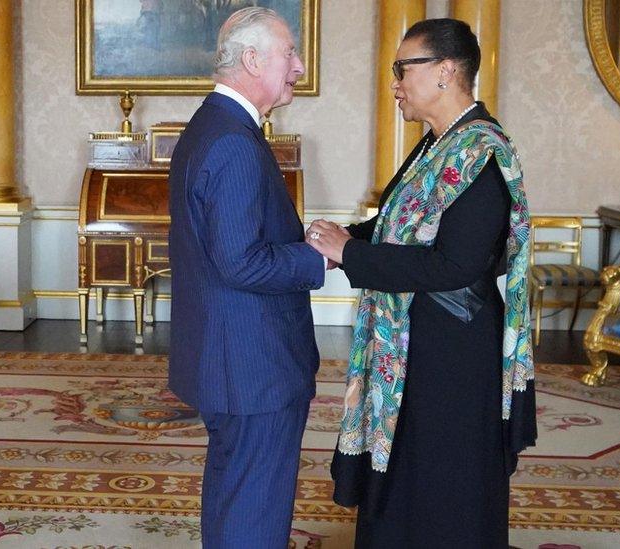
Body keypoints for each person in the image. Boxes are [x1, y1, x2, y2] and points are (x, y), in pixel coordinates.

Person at [306, 18, 538, 548]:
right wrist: (346, 240)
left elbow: (454, 266)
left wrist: (353, 254)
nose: (395, 84)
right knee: (409, 469)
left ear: (446, 72)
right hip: (419, 341)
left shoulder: (481, 152)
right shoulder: (436, 144)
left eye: (402, 70)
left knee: (442, 479)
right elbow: (398, 228)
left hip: (451, 350)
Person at [167, 7, 327, 549]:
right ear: (253, 59)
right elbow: (240, 261)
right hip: (253, 365)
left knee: (235, 493)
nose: (299, 66)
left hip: (231, 357)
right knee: (254, 507)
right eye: (290, 54)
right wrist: (320, 259)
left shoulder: (214, 125)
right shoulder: (234, 141)